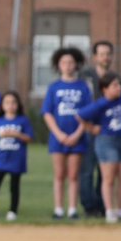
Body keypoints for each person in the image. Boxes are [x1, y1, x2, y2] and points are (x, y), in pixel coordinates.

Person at [42, 46, 91, 220]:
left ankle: (72, 208)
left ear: (76, 65)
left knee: (73, 174)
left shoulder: (83, 87)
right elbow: (47, 113)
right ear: (58, 65)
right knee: (59, 174)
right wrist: (58, 134)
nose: (68, 65)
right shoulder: (54, 87)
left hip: (77, 137)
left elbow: (87, 113)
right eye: (64, 62)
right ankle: (58, 209)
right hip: (58, 138)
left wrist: (78, 134)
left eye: (71, 62)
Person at [77, 73, 121, 224]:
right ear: (104, 89)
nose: (118, 88)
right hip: (106, 142)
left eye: (119, 84)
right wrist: (91, 128)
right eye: (114, 85)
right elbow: (80, 115)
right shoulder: (101, 104)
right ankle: (109, 211)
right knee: (109, 178)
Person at [0, 91, 34, 222]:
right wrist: (0, 135)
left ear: (18, 104)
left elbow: (29, 138)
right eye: (7, 102)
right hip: (2, 160)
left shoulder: (23, 120)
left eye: (13, 102)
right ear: (2, 105)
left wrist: (17, 135)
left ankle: (13, 211)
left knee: (14, 186)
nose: (10, 105)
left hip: (16, 160)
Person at [78, 40, 115, 216]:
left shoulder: (115, 79)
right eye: (101, 54)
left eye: (108, 54)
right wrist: (87, 126)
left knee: (105, 171)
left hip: (107, 132)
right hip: (87, 130)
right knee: (86, 170)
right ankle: (89, 206)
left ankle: (102, 206)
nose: (105, 57)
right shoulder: (85, 77)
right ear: (95, 57)